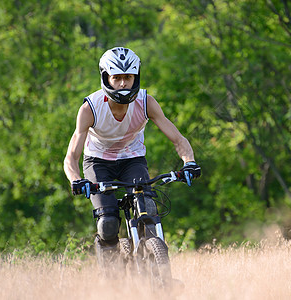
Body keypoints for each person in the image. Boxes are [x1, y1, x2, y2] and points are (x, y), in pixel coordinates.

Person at [63, 47, 201, 264]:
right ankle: (111, 280)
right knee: (108, 222)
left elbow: (178, 139)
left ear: (136, 76)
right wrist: (76, 179)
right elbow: (71, 156)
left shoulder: (146, 102)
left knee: (148, 208)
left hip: (132, 160)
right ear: (106, 78)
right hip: (98, 163)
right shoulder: (90, 108)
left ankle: (158, 271)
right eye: (116, 77)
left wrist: (189, 162)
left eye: (128, 77)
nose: (123, 84)